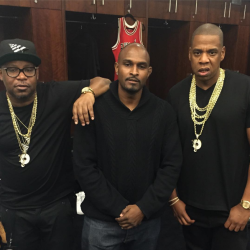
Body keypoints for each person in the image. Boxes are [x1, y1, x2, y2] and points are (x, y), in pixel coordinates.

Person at [0, 38, 110, 250]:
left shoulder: (55, 94)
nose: (21, 76)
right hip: (12, 210)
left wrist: (87, 94)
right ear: (1, 73)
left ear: (37, 73)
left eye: (28, 69)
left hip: (57, 206)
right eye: (13, 69)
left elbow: (104, 81)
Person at [73, 43, 182, 250]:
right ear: (116, 68)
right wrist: (120, 209)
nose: (134, 72)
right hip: (101, 224)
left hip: (147, 222)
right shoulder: (93, 107)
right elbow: (83, 166)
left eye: (141, 66)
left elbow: (171, 165)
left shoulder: (164, 112)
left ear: (148, 72)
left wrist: (143, 208)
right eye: (127, 64)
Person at [167, 23, 250, 250]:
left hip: (232, 212)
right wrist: (173, 199)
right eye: (197, 52)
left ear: (222, 53)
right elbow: (167, 152)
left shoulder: (244, 88)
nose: (204, 59)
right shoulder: (176, 94)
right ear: (189, 54)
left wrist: (246, 205)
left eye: (211, 52)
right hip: (188, 212)